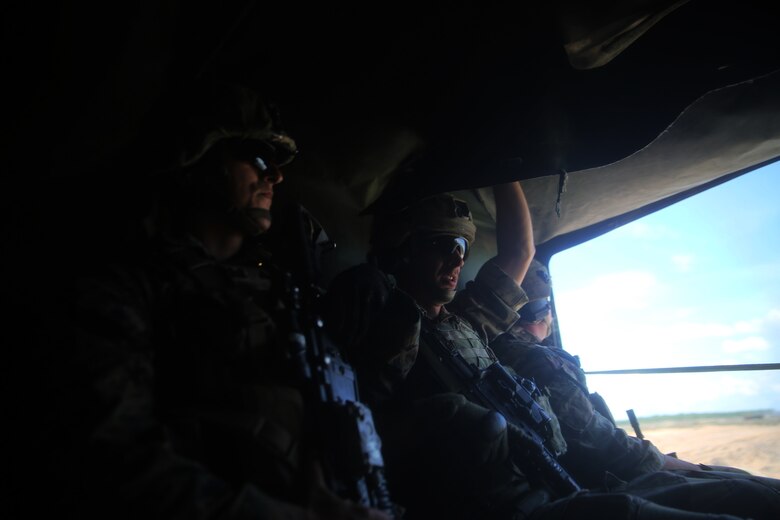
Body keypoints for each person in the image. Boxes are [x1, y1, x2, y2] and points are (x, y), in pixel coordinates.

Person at [10, 80, 391, 520]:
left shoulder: (275, 288)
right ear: (199, 161)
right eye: (259, 158)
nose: (276, 176)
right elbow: (109, 456)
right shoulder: (130, 281)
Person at [324, 182, 780, 520]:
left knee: (752, 497)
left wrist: (507, 173)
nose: (458, 258)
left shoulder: (464, 321)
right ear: (404, 253)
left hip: (566, 481)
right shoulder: (387, 323)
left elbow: (520, 253)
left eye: (462, 245)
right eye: (443, 245)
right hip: (527, 503)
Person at [491, 260, 763, 485]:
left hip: (592, 471)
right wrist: (690, 468)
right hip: (606, 479)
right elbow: (601, 444)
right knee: (749, 485)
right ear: (540, 312)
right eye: (548, 307)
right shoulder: (540, 361)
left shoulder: (497, 350)